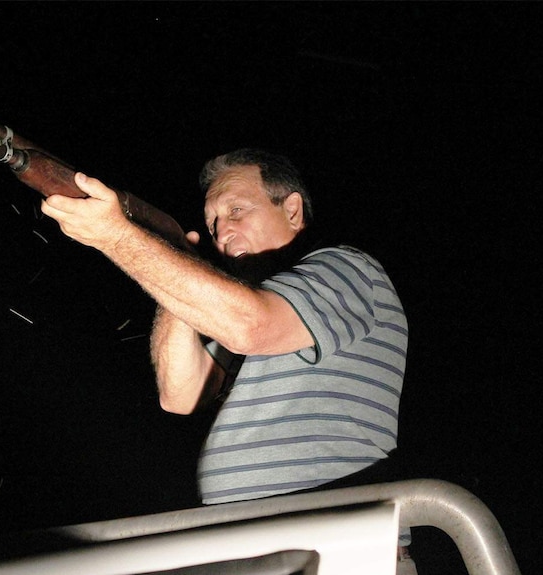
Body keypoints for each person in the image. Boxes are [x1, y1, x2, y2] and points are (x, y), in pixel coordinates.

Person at [41, 149, 413, 572]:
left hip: (337, 547)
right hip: (248, 545)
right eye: (214, 221)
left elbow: (251, 326)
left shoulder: (346, 268)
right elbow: (178, 394)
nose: (222, 231)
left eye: (236, 209)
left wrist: (117, 236)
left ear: (292, 210)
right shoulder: (250, 309)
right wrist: (182, 262)